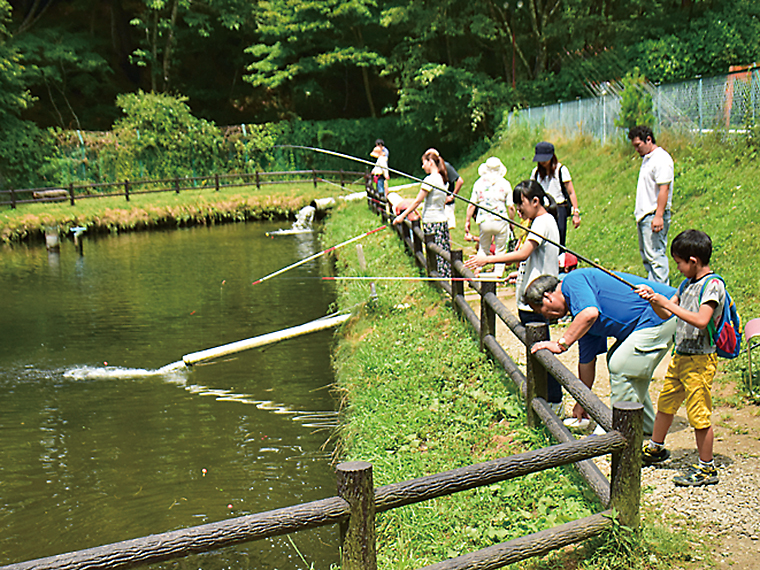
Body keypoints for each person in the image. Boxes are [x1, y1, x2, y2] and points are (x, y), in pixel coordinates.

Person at [524, 269, 677, 434]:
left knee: (621, 365)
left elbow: (589, 313)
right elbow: (586, 363)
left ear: (548, 296)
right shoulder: (579, 314)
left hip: (663, 310)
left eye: (542, 310)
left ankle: (618, 430)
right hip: (648, 319)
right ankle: (644, 427)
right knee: (619, 359)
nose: (546, 317)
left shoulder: (572, 281)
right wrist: (582, 402)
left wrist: (561, 344)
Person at [465, 180, 564, 412]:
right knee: (536, 350)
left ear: (535, 201)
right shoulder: (538, 221)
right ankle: (543, 398)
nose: (519, 210)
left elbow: (523, 253)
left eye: (521, 205)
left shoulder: (542, 221)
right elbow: (531, 260)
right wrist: (518, 277)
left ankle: (553, 401)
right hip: (531, 296)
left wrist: (487, 259)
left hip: (538, 300)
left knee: (542, 352)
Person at [636, 230, 724, 486]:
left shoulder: (713, 286)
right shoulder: (686, 284)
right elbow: (665, 314)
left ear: (693, 261)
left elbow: (701, 319)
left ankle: (707, 469)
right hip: (681, 356)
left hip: (700, 361)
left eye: (679, 262)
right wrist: (653, 299)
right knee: (666, 403)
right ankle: (656, 447)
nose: (677, 267)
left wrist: (669, 303)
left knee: (698, 413)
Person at [393, 150, 451, 277]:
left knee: (436, 255)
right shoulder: (441, 178)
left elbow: (417, 201)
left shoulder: (430, 179)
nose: (422, 166)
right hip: (441, 220)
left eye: (424, 163)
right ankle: (446, 280)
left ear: (430, 162)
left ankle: (441, 281)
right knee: (443, 253)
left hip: (432, 222)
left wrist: (402, 216)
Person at [628, 125, 674, 285]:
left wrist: (659, 215)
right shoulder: (648, 159)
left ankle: (663, 294)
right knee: (647, 257)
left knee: (656, 256)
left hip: (653, 215)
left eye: (638, 145)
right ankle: (653, 291)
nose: (636, 150)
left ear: (648, 139)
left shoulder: (661, 159)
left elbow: (664, 189)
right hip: (644, 216)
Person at [463, 157, 515, 277]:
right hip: (501, 220)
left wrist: (467, 222)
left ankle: (477, 270)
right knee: (500, 250)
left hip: (484, 220)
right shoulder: (505, 184)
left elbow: (472, 205)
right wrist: (511, 221)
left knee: (483, 248)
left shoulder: (479, 183)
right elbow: (511, 206)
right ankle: (498, 274)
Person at [531, 142, 581, 247]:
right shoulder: (536, 173)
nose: (543, 162)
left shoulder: (561, 170)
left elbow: (571, 192)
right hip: (542, 209)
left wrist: (575, 213)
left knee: (559, 239)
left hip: (559, 208)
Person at [425, 148, 464, 243]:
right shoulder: (435, 170)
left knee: (446, 229)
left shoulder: (446, 166)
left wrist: (452, 196)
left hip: (446, 203)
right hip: (439, 203)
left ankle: (447, 252)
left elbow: (460, 180)